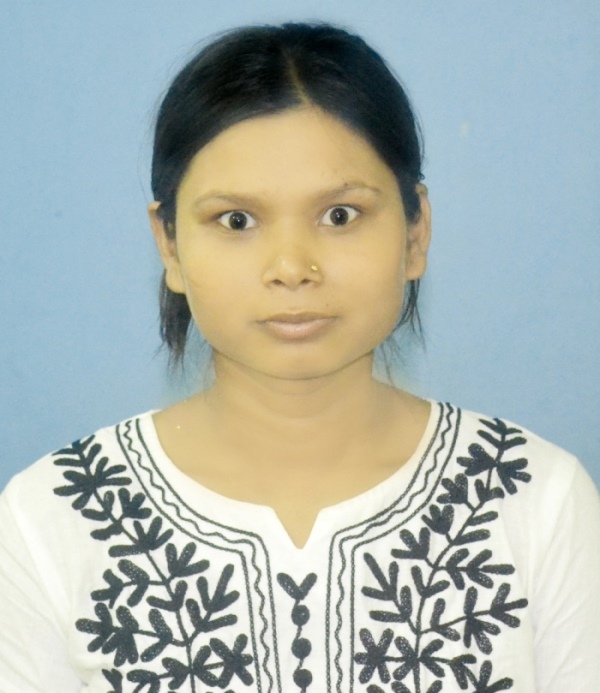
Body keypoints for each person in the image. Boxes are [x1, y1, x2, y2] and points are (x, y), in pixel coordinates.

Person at [0, 22, 598, 693]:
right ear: (169, 245)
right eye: (236, 221)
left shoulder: (537, 500)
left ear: (415, 232)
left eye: (340, 215)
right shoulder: (51, 518)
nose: (291, 267)